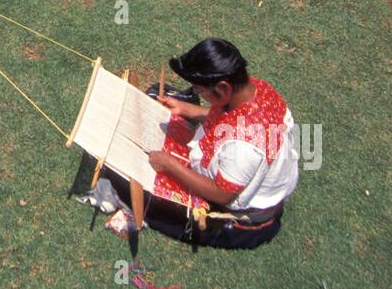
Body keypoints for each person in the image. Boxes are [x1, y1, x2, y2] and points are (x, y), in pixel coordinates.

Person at [109, 38, 299, 249]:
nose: (198, 93)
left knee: (123, 185)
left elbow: (222, 194)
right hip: (243, 176)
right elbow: (228, 117)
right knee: (158, 107)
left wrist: (169, 165)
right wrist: (187, 110)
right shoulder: (257, 89)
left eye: (200, 91)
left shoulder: (244, 146)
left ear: (223, 88)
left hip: (244, 221)